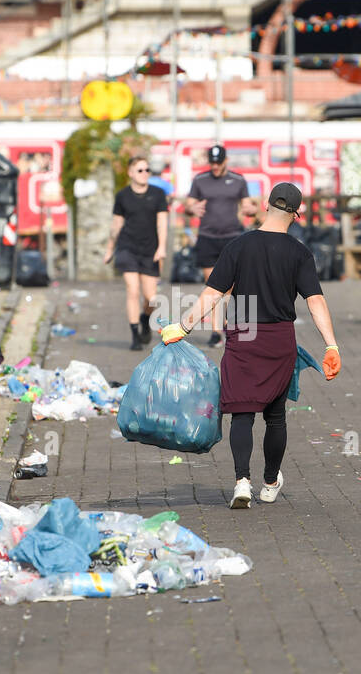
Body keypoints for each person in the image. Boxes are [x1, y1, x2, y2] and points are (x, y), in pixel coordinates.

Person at [161, 182, 341, 509]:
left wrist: (183, 327)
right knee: (275, 416)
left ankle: (242, 481)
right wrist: (332, 346)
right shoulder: (300, 253)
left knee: (242, 413)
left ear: (266, 206)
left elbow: (212, 294)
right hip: (279, 337)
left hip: (243, 331)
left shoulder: (237, 246)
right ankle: (270, 482)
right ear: (296, 215)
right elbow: (316, 301)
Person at [186, 144, 258, 347]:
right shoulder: (200, 180)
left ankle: (227, 324)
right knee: (213, 285)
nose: (215, 166)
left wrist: (250, 209)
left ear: (226, 161)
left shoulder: (238, 180)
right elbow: (188, 205)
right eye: (212, 163)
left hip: (232, 237)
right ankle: (217, 331)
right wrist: (192, 208)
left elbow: (247, 205)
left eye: (219, 162)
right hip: (207, 237)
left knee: (230, 287)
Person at [105, 156, 168, 350]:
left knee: (150, 297)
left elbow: (162, 222)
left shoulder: (158, 194)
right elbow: (116, 225)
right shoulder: (122, 196)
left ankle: (145, 317)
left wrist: (162, 247)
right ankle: (134, 335)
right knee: (132, 290)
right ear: (131, 173)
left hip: (150, 249)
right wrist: (109, 249)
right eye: (140, 170)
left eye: (147, 170)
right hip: (127, 247)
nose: (144, 174)